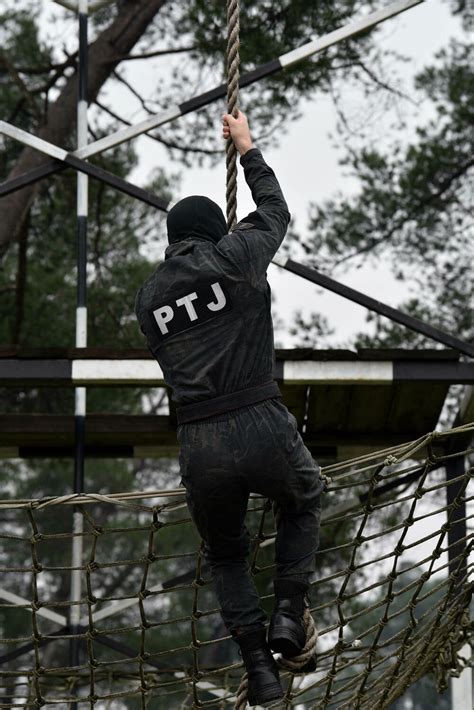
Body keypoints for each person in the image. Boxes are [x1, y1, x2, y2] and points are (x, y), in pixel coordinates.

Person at [135, 111, 324, 707]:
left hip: (201, 444)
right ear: (215, 232)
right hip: (260, 419)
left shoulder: (148, 300)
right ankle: (291, 613)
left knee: (224, 553)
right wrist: (247, 148)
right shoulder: (235, 257)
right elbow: (275, 213)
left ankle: (259, 669)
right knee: (305, 497)